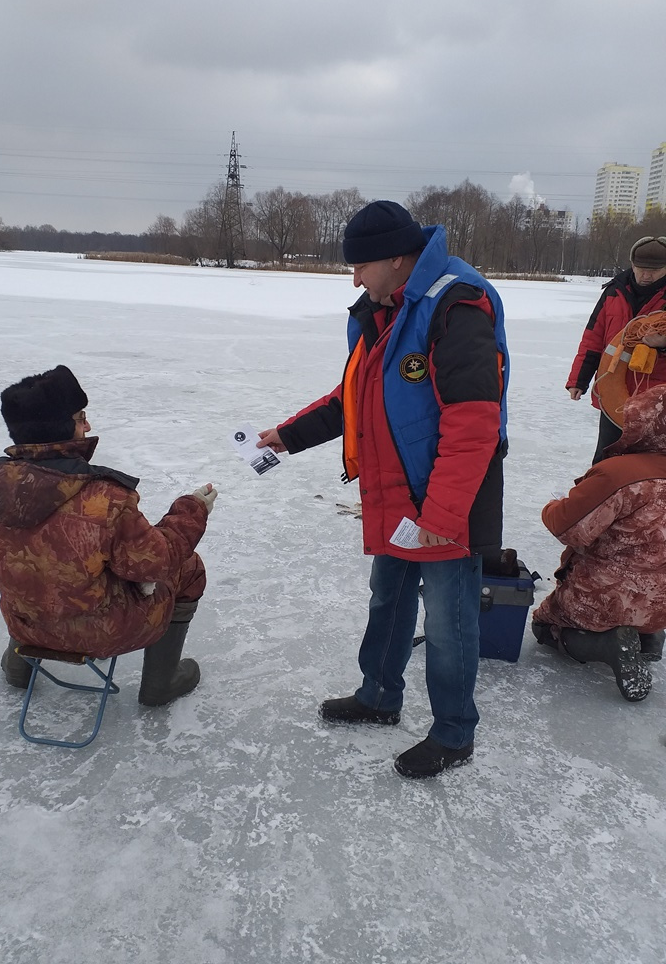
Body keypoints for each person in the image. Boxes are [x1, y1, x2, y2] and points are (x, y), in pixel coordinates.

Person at [258, 201, 509, 778]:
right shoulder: (387, 308)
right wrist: (288, 436)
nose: (354, 279)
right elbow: (359, 394)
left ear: (397, 258)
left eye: (361, 266)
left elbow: (474, 423)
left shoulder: (455, 305)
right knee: (389, 599)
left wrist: (442, 515)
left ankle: (453, 731)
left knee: (448, 620)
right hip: (398, 490)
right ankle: (378, 695)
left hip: (447, 494)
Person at [0, 365, 217, 706]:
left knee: (30, 573)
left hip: (27, 626)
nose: (88, 425)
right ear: (61, 428)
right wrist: (192, 509)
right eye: (80, 417)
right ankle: (162, 682)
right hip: (103, 631)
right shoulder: (103, 500)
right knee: (188, 568)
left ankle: (18, 667)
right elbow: (156, 564)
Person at [532, 383, 666, 699]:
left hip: (604, 598)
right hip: (661, 604)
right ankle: (650, 636)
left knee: (545, 627)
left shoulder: (619, 474)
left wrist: (554, 506)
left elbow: (570, 529)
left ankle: (608, 644)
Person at [566, 236, 666, 464]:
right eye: (641, 269)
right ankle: (602, 497)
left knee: (651, 462)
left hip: (657, 398)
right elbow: (593, 337)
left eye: (655, 270)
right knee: (606, 457)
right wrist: (579, 380)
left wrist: (663, 344)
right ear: (632, 264)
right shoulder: (614, 292)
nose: (647, 275)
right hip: (613, 391)